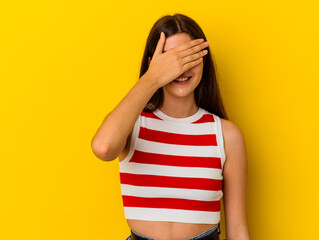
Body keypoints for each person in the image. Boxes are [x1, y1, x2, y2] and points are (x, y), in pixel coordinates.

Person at [91, 14, 250, 240]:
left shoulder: (225, 135)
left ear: (203, 60)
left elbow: (238, 230)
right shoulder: (132, 124)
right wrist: (153, 77)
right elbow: (103, 148)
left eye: (188, 57)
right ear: (152, 64)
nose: (180, 68)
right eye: (170, 60)